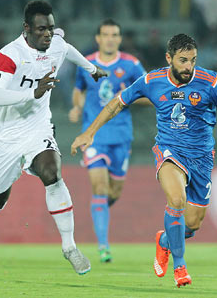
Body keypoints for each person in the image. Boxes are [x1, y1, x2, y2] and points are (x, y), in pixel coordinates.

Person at [71, 34, 217, 287]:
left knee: (193, 224)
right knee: (176, 200)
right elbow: (116, 104)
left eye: (193, 60)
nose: (189, 67)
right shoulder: (152, 80)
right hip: (169, 151)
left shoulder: (212, 82)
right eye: (183, 60)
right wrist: (89, 132)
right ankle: (180, 266)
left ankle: (164, 241)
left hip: (203, 158)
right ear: (169, 58)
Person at [0, 0, 107, 279]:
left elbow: (67, 50)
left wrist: (91, 69)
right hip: (5, 138)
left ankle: (70, 247)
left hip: (38, 129)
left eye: (51, 28)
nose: (48, 34)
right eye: (42, 29)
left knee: (52, 173)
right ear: (27, 28)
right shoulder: (9, 55)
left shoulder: (55, 43)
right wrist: (31, 94)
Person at [68, 18, 146, 262]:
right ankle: (103, 246)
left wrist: (127, 97)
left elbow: (148, 94)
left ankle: (98, 211)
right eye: (106, 34)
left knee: (114, 191)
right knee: (99, 188)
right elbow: (78, 89)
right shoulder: (86, 63)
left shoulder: (131, 65)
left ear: (119, 39)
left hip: (121, 136)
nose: (110, 38)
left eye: (114, 34)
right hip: (94, 137)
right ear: (98, 38)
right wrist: (77, 107)